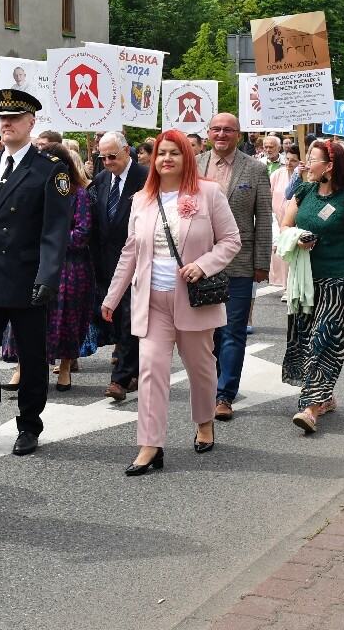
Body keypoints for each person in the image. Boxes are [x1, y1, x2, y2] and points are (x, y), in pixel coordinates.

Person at [102, 130, 240, 474]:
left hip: (194, 300)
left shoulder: (209, 193)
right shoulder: (141, 199)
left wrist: (203, 265)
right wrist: (112, 296)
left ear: (187, 158)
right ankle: (150, 445)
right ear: (153, 158)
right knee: (150, 371)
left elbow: (230, 240)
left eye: (175, 153)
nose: (167, 159)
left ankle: (204, 422)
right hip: (151, 300)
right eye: (162, 153)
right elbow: (130, 251)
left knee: (201, 368)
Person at [0, 89, 72, 457]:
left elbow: (55, 231)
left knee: (31, 353)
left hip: (27, 277)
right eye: (2, 118)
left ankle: (29, 423)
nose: (6, 124)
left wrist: (47, 278)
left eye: (14, 118)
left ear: (31, 123)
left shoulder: (49, 170)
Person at [280, 140, 344, 433]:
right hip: (304, 281)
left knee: (324, 341)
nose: (306, 165)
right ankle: (325, 395)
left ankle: (311, 408)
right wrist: (298, 236)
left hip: (337, 282)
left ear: (329, 167)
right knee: (305, 341)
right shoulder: (303, 192)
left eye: (313, 160)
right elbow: (284, 225)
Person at [195, 113, 272, 421]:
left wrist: (262, 262)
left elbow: (263, 219)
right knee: (205, 332)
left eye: (228, 130)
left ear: (239, 135)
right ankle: (209, 385)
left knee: (232, 332)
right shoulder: (195, 165)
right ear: (208, 133)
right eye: (216, 129)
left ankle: (225, 394)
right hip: (200, 264)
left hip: (239, 264)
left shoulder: (255, 169)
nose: (222, 134)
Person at [91, 130, 148, 399]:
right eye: (102, 157)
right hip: (106, 262)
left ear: (127, 151)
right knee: (117, 319)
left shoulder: (145, 179)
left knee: (127, 318)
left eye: (112, 156)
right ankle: (133, 369)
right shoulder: (101, 180)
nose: (107, 162)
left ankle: (121, 379)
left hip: (136, 260)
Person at [40, 142, 93, 391]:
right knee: (37, 318)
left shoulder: (78, 194)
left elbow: (81, 234)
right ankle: (29, 368)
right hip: (37, 262)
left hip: (69, 265)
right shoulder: (34, 190)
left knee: (66, 317)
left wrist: (51, 240)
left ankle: (65, 367)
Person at [268, 147, 299, 289]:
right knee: (280, 251)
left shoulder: (303, 176)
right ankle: (285, 284)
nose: (289, 162)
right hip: (277, 218)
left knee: (292, 251)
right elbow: (268, 195)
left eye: (293, 160)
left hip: (296, 221)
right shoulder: (277, 174)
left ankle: (291, 285)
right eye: (287, 159)